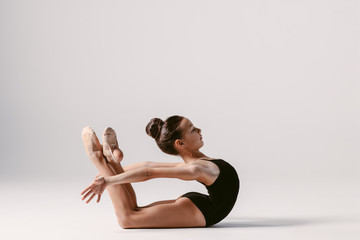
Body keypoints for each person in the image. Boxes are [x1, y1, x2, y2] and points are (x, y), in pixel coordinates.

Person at [81, 115, 240, 228]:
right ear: (180, 143)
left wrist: (109, 179)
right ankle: (100, 159)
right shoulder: (197, 166)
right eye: (192, 129)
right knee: (128, 218)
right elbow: (148, 169)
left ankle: (110, 161)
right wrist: (108, 178)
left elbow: (149, 169)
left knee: (133, 213)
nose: (199, 129)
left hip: (202, 206)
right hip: (204, 210)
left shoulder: (195, 166)